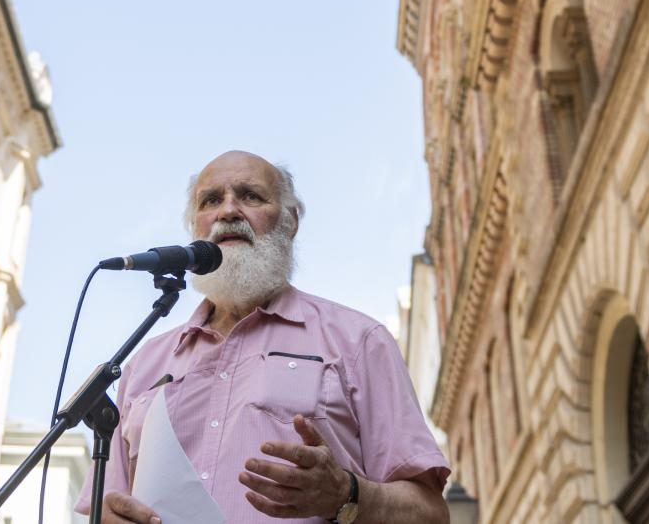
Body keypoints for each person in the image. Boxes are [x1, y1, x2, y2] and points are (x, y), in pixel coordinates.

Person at [78, 150, 450, 524]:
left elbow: (431, 514)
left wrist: (346, 494)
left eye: (250, 196)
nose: (228, 211)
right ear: (196, 227)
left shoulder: (359, 342)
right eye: (211, 200)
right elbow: (103, 507)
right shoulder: (144, 364)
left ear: (290, 221)